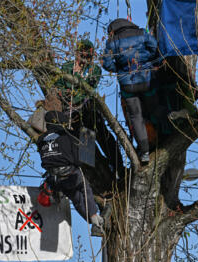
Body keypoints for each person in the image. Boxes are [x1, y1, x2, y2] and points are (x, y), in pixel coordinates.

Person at [36, 110, 104, 236]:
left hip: (55, 180)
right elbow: (80, 160)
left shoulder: (41, 140)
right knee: (85, 189)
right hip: (70, 174)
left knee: (77, 198)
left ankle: (93, 222)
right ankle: (95, 217)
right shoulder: (68, 136)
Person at [102, 18, 159, 163]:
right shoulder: (142, 33)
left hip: (128, 86)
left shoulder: (112, 41)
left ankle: (144, 153)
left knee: (136, 118)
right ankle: (161, 137)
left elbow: (107, 64)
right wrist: (146, 62)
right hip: (147, 80)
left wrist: (121, 70)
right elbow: (155, 48)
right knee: (154, 109)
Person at [55, 39, 102, 133]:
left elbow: (90, 88)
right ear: (77, 52)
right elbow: (58, 84)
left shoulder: (95, 69)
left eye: (87, 52)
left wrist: (76, 74)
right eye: (82, 51)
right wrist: (65, 92)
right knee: (73, 133)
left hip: (86, 107)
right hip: (68, 107)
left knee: (93, 131)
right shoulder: (67, 66)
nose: (84, 54)